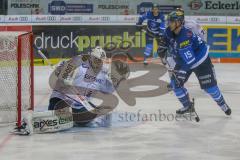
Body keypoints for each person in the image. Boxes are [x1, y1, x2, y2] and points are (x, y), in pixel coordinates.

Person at [158, 10, 231, 116]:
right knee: (175, 84)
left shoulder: (184, 36)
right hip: (183, 58)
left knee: (209, 88)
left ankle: (223, 104)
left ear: (179, 22)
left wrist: (182, 73)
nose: (169, 24)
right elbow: (165, 38)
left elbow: (190, 60)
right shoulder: (169, 30)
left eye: (171, 21)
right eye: (169, 21)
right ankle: (188, 106)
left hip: (199, 59)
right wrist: (162, 46)